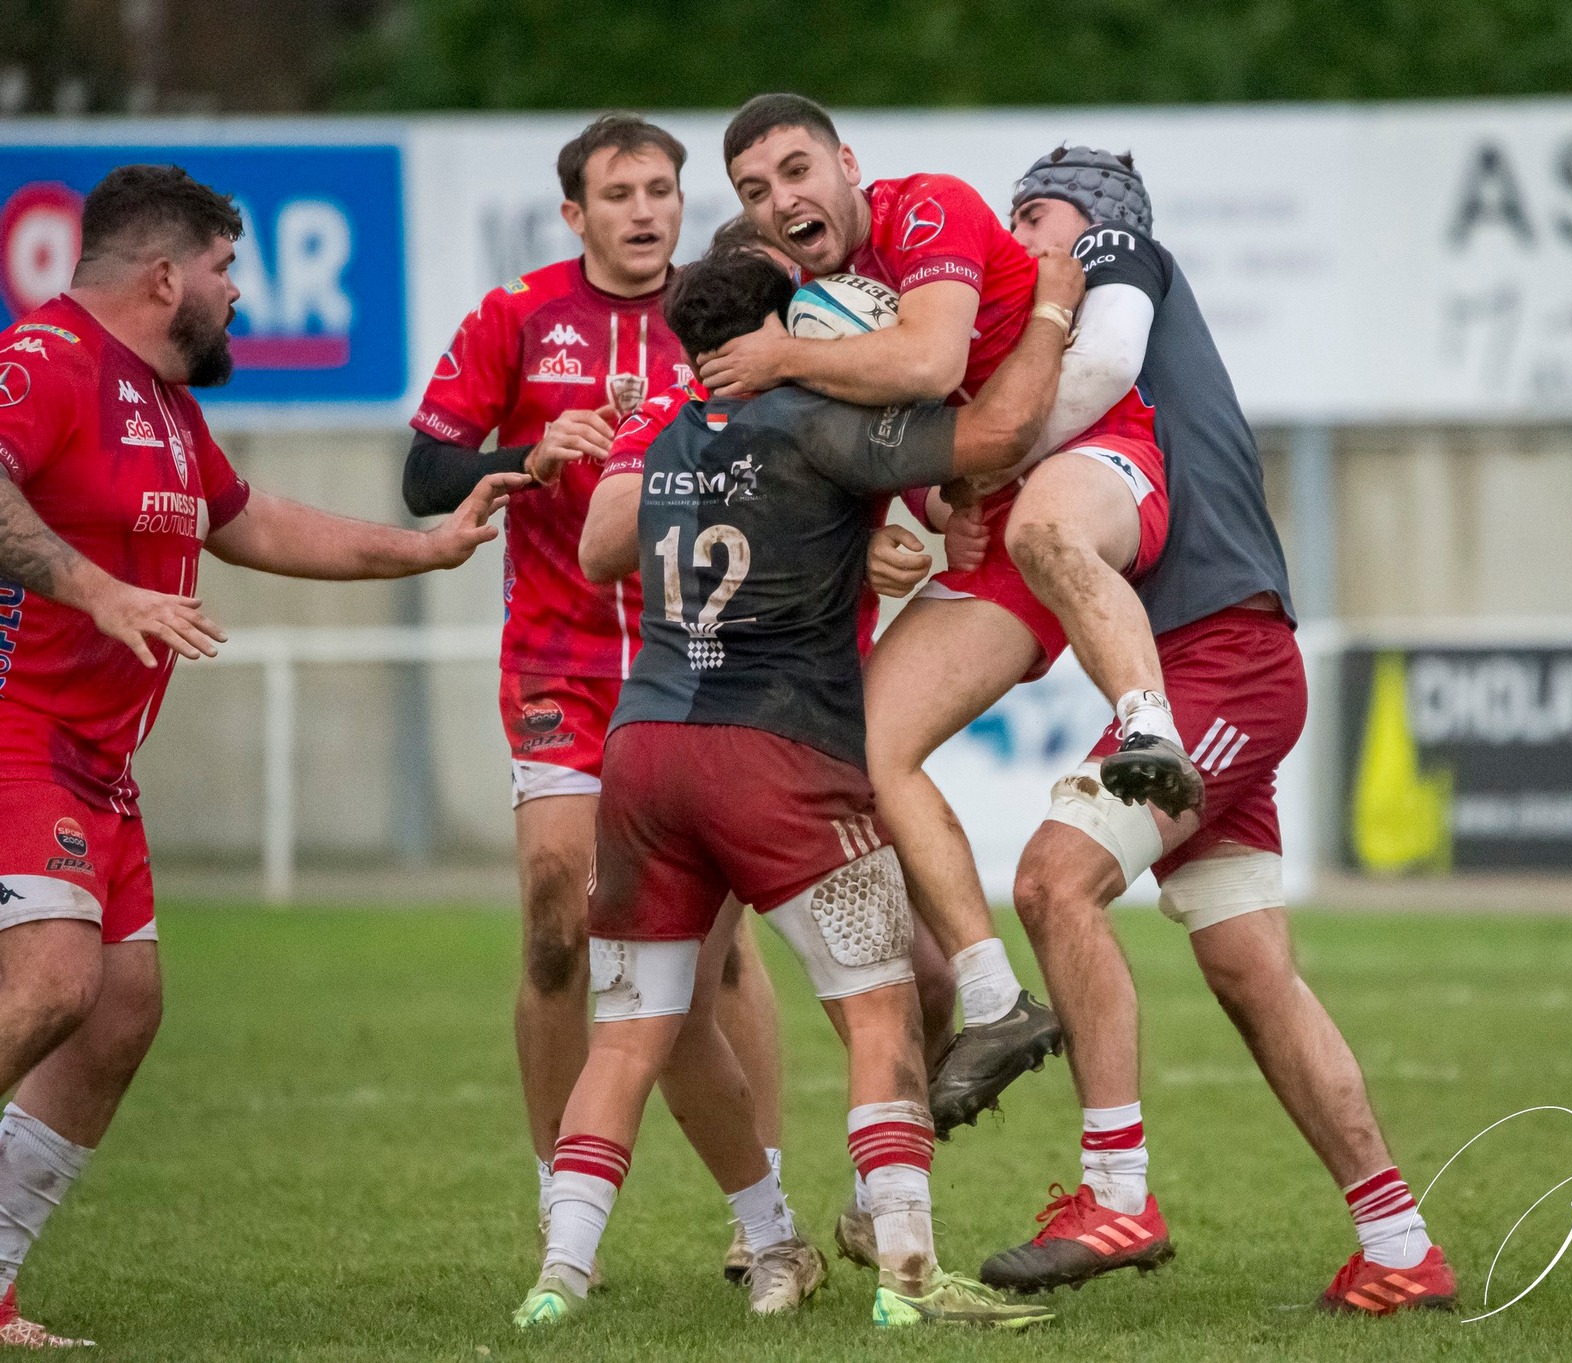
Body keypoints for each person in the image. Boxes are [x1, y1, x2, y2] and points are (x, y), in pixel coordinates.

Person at [907, 147, 1453, 1315]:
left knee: (1051, 883)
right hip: (1213, 658)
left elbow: (1093, 370)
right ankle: (1400, 1245)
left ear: (1097, 216)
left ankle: (1116, 1193)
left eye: (1035, 210)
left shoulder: (1118, 256)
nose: (1016, 229)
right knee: (1255, 978)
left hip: (1220, 664)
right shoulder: (1050, 332)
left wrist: (981, 459)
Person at [511, 248, 1085, 1330]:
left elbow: (627, 542)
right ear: (782, 328)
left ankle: (558, 1278)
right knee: (880, 1010)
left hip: (643, 753)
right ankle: (908, 1276)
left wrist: (853, 540)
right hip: (775, 753)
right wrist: (1050, 312)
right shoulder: (821, 421)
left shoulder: (664, 431)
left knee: (628, 1029)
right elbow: (992, 437)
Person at [0, 164, 518, 1347]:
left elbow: (251, 520)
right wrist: (97, 589)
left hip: (97, 763)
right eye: (226, 269)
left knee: (120, 1015)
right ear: (164, 276)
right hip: (17, 734)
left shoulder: (165, 403)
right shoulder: (45, 358)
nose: (239, 293)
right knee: (53, 985)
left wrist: (426, 546)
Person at [710, 92, 1187, 1142]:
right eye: (754, 190)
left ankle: (1149, 730)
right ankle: (992, 998)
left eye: (796, 170)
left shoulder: (925, 206)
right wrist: (919, 511)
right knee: (872, 745)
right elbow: (902, 444)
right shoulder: (812, 300)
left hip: (1094, 459)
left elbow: (930, 368)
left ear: (847, 163)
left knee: (1047, 526)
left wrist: (783, 359)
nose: (780, 198)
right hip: (992, 524)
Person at [401, 113, 785, 1281]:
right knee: (557, 916)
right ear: (573, 213)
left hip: (699, 660)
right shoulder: (517, 316)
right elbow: (424, 471)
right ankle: (558, 1195)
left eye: (660, 189)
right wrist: (522, 456)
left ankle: (759, 1210)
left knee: (716, 954)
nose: (643, 210)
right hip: (560, 662)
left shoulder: (726, 312)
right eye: (618, 194)